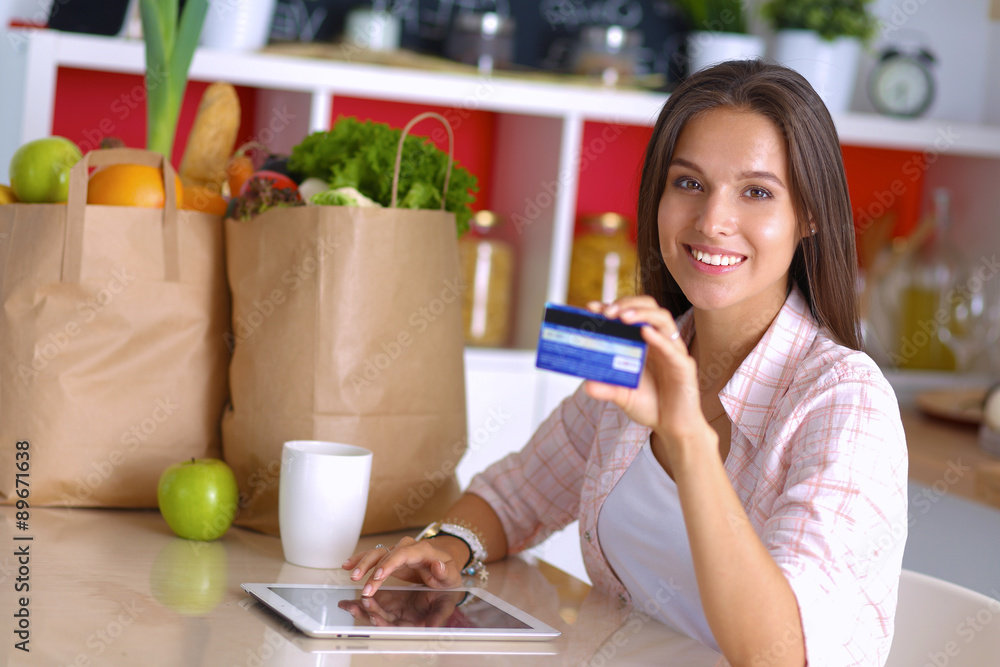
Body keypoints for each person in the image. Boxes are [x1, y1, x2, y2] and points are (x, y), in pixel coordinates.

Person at [343, 59, 908, 666]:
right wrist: (448, 547)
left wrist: (686, 436)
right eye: (688, 183)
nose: (713, 221)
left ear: (811, 214)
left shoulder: (846, 402)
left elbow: (782, 655)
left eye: (757, 191)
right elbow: (515, 498)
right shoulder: (650, 352)